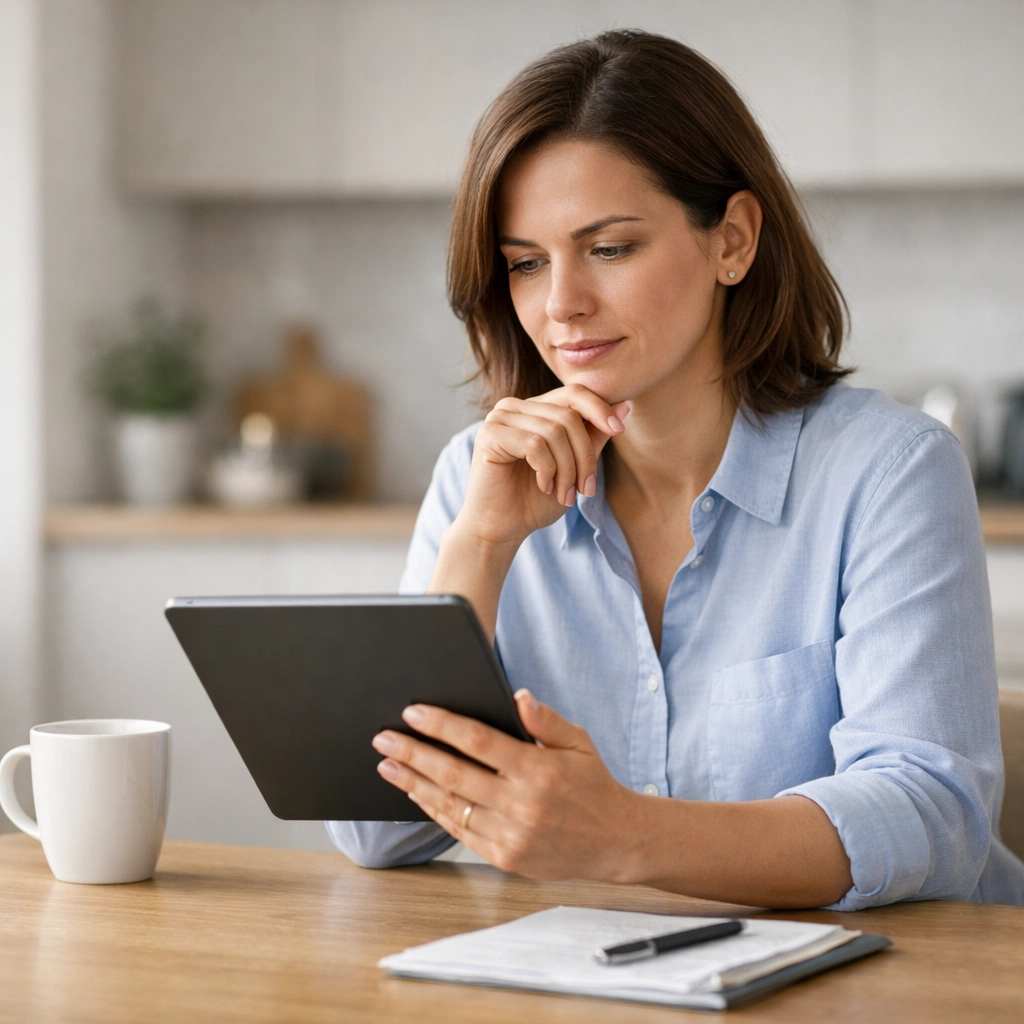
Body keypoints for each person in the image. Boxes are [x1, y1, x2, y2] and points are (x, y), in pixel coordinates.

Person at [327, 29, 1024, 909]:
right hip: (609, 981)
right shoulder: (480, 476)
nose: (561, 305)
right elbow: (374, 831)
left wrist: (622, 836)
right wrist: (483, 543)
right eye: (525, 264)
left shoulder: (889, 472)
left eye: (610, 248)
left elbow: (936, 818)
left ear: (731, 240)